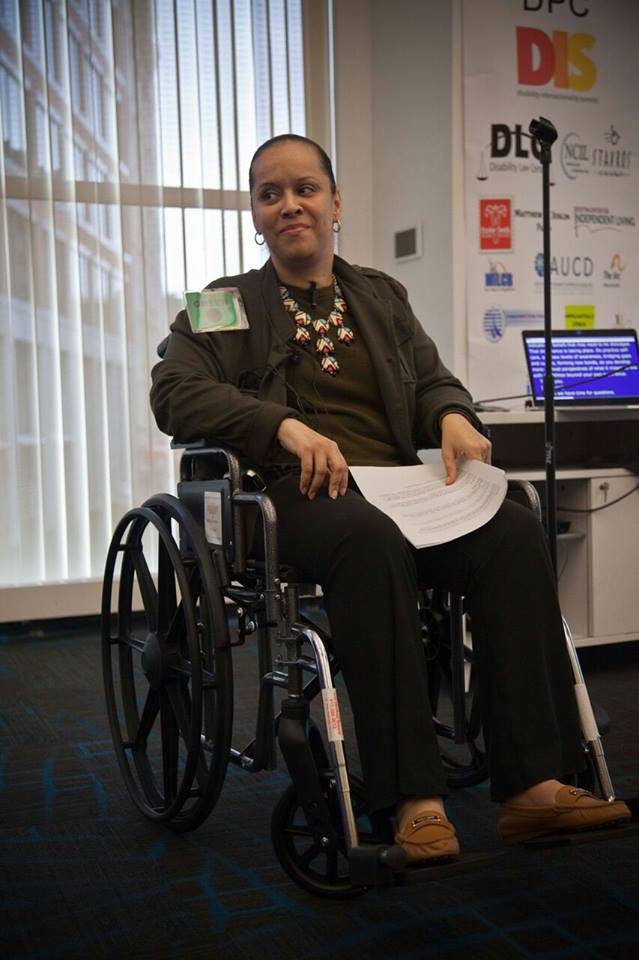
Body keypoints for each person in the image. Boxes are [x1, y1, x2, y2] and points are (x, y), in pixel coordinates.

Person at [150, 134, 630, 862]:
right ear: (254, 215)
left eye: (305, 188)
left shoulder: (379, 294)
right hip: (299, 497)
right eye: (269, 194)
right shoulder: (225, 305)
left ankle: (531, 786)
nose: (289, 205)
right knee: (365, 541)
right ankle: (413, 800)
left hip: (403, 489)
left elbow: (432, 379)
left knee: (509, 530)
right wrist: (280, 424)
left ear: (335, 203)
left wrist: (451, 417)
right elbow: (174, 391)